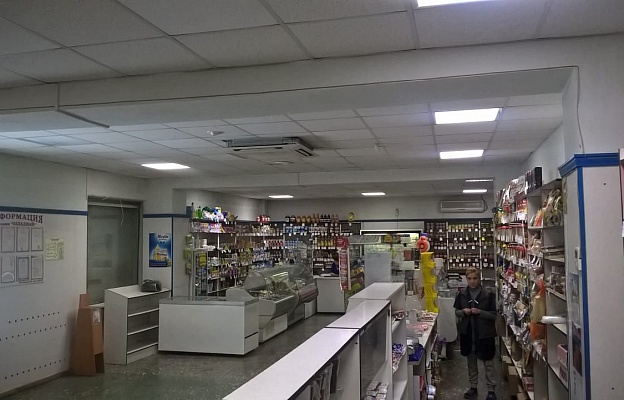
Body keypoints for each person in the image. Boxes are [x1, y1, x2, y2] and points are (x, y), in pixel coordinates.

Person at [453, 267, 498, 400]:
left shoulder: (487, 294)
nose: (472, 281)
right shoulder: (462, 294)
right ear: (466, 279)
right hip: (468, 334)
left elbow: (494, 315)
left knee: (488, 363)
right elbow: (457, 312)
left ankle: (491, 390)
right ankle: (473, 387)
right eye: (469, 279)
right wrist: (463, 312)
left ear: (479, 278)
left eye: (475, 278)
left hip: (485, 334)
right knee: (471, 362)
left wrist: (480, 312)